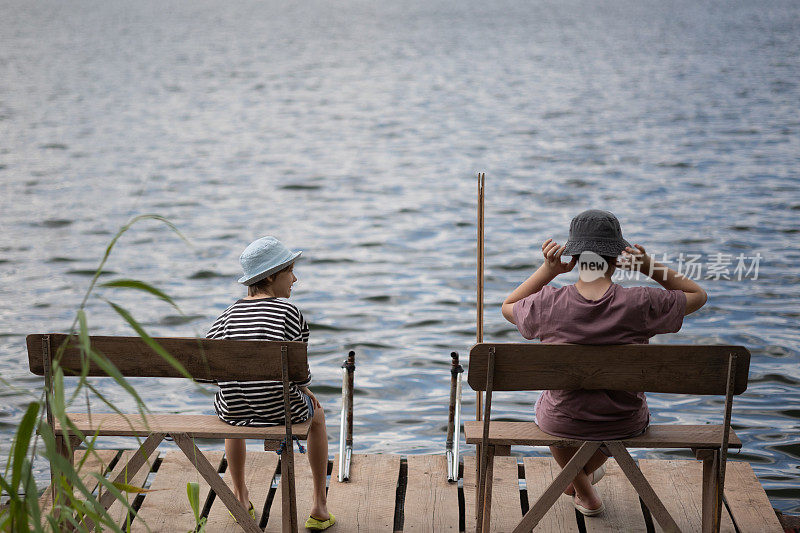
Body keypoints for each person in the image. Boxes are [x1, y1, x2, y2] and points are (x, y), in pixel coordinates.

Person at [500, 209, 707, 516]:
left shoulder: (549, 303)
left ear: (574, 258)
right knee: (596, 415)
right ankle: (580, 486)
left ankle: (581, 489)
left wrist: (548, 271)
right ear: (617, 258)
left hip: (562, 420)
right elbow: (698, 295)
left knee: (552, 409)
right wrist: (650, 267)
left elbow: (508, 306)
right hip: (624, 421)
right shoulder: (641, 302)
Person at [207, 236, 334, 530]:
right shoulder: (289, 312)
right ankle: (319, 506)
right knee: (317, 415)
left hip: (235, 410)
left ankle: (240, 497)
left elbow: (210, 367)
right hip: (282, 411)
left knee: (232, 417)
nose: (295, 278)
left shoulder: (227, 314)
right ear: (273, 275)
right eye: (291, 271)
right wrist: (305, 389)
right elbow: (299, 372)